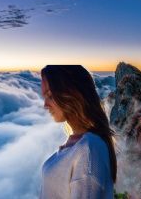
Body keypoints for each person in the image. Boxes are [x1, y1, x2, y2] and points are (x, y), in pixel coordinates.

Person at [39, 65, 117, 199]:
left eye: (50, 96)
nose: (45, 105)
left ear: (72, 94)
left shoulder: (88, 150)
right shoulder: (82, 145)